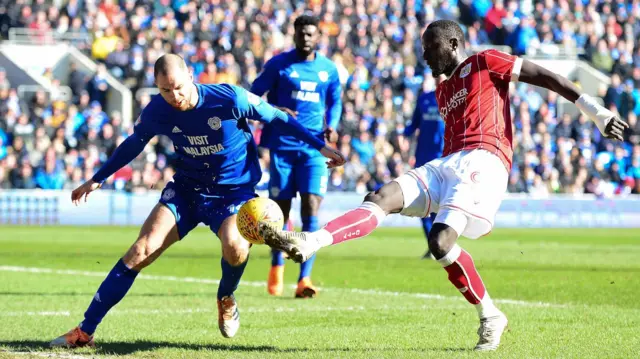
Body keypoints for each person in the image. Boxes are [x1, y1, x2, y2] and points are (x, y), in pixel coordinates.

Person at [258, 20, 627, 351]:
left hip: (485, 158)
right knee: (381, 196)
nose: (424, 56)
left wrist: (597, 112)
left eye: (428, 48)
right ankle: (311, 241)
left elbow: (545, 76)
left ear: (452, 43)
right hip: (448, 162)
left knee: (440, 241)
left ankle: (490, 315)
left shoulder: (485, 61)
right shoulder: (443, 89)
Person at [50, 54, 345, 348]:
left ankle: (226, 297)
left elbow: (278, 117)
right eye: (165, 90)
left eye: (178, 86)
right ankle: (84, 331)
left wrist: (320, 147)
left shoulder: (230, 97)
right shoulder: (157, 110)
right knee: (141, 250)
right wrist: (100, 177)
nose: (174, 96)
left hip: (234, 193)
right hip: (187, 191)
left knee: (236, 246)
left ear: (191, 74)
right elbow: (134, 142)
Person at [250, 15, 342, 298]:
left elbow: (336, 100)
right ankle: (277, 266)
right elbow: (252, 95)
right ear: (294, 35)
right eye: (302, 33)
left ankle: (305, 279)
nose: (306, 38)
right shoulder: (279, 65)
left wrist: (333, 125)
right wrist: (275, 107)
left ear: (318, 37)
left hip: (314, 148)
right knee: (281, 213)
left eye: (311, 34)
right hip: (282, 147)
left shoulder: (328, 70)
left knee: (311, 207)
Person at [403, 75, 446, 259]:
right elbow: (413, 125)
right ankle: (433, 242)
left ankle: (440, 242)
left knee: (440, 203)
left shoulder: (453, 98)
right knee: (423, 203)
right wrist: (403, 134)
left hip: (444, 158)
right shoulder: (424, 99)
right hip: (423, 158)